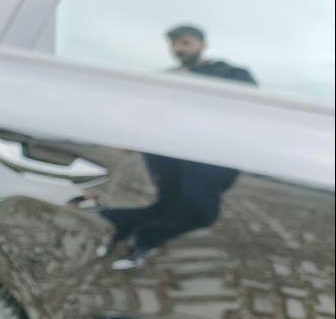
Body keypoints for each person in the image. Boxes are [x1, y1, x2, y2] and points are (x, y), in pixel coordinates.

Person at [101, 25, 257, 271]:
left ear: (203, 44)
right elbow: (146, 109)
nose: (178, 49)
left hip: (210, 155)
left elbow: (248, 110)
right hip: (166, 151)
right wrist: (133, 137)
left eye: (185, 43)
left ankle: (126, 230)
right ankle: (127, 236)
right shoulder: (167, 77)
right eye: (174, 44)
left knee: (202, 212)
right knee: (169, 205)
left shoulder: (233, 74)